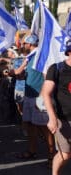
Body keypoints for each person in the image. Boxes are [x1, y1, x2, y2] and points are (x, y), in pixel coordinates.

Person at [11, 34, 55, 165]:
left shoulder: (40, 56)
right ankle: (32, 150)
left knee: (44, 128)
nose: (22, 46)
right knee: (30, 125)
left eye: (24, 44)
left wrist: (42, 97)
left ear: (30, 44)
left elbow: (46, 77)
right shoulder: (30, 57)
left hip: (38, 97)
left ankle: (52, 155)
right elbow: (21, 73)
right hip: (29, 95)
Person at [43, 41, 71, 175]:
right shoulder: (57, 68)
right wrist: (52, 118)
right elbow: (46, 93)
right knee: (65, 154)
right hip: (63, 118)